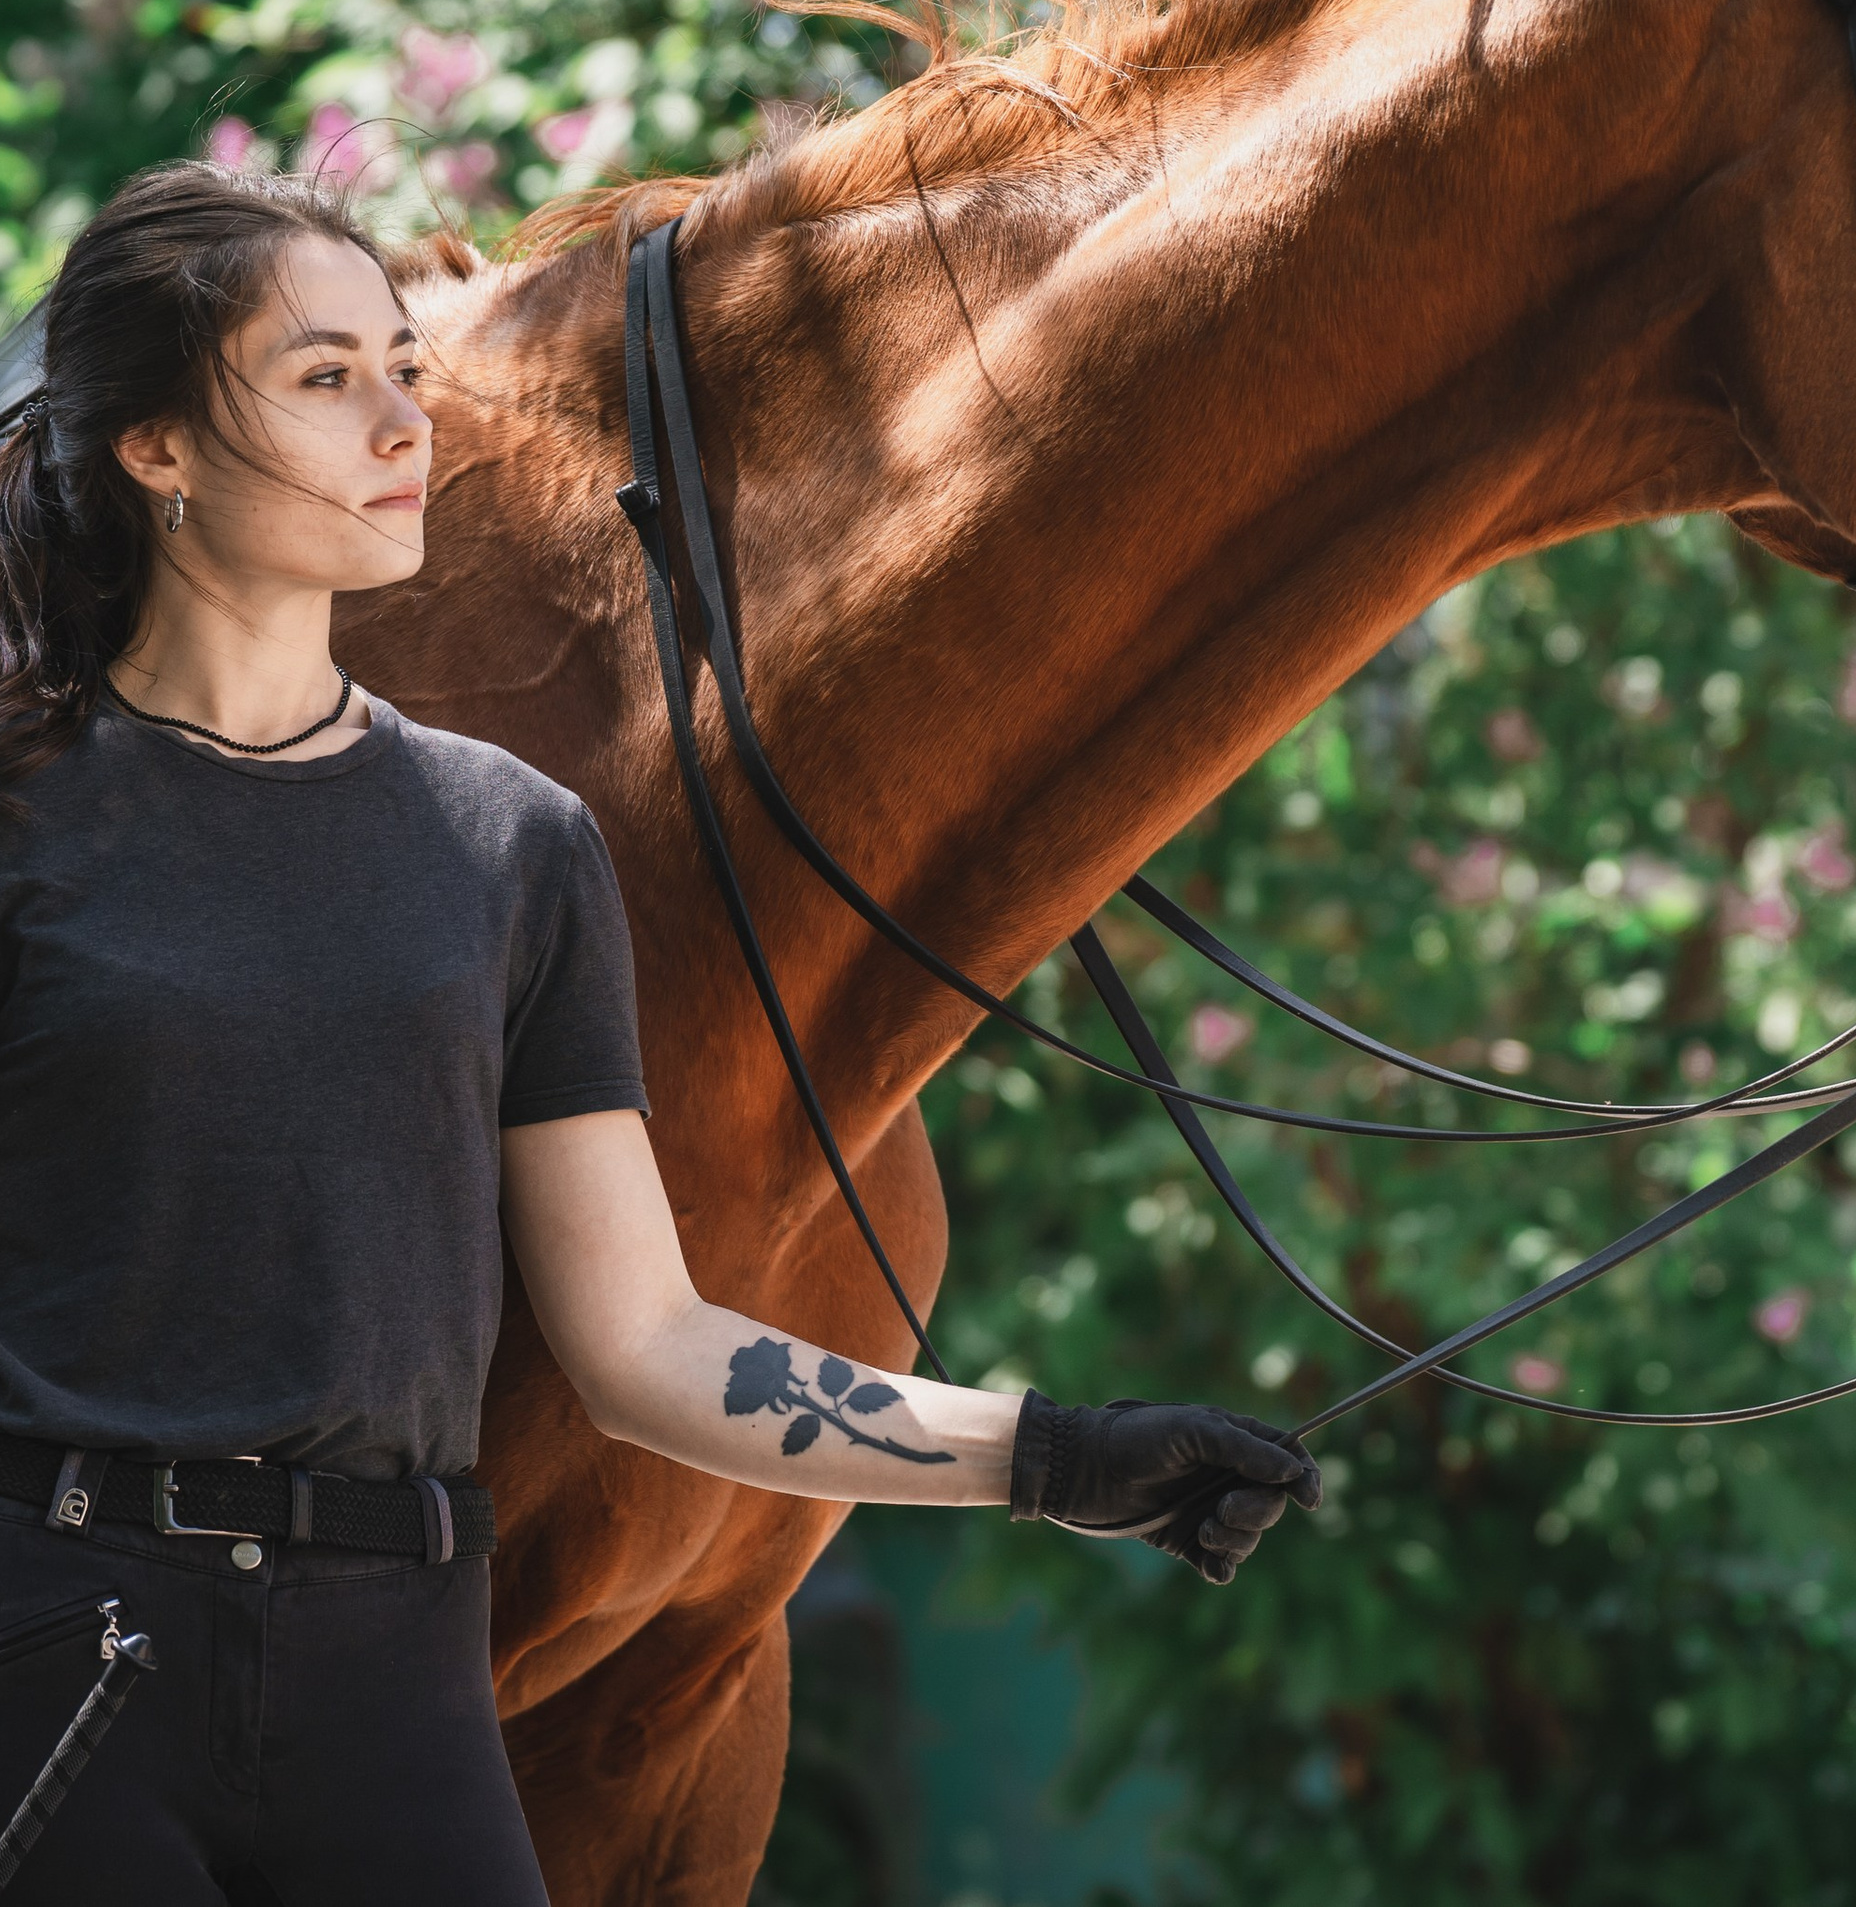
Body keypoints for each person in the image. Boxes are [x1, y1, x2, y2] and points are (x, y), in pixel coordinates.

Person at [0, 164, 1322, 1904]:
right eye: (325, 378)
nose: (405, 420)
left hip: (396, 1683)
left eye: (406, 363)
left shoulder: (509, 843)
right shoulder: (26, 820)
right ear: (156, 447)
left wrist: (1052, 1455)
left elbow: (649, 1346)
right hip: (67, 1665)